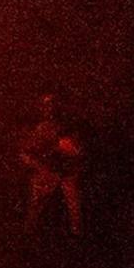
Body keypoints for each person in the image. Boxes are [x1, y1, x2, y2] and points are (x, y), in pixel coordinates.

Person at [19, 96, 85, 235]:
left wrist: (66, 149)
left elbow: (77, 151)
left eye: (53, 104)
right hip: (47, 173)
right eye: (46, 104)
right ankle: (27, 238)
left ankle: (77, 239)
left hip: (67, 172)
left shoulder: (68, 125)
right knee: (35, 211)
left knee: (75, 211)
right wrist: (39, 167)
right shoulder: (38, 127)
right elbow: (25, 152)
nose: (50, 108)